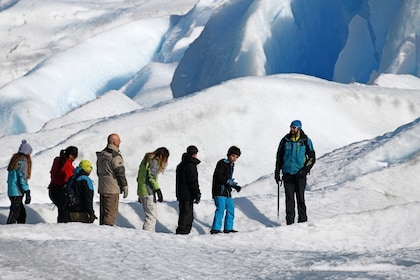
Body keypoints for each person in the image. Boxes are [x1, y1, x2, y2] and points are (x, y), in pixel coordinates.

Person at [274, 120, 316, 225]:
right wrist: (277, 172)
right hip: (287, 174)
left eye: (294, 127)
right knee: (289, 199)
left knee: (300, 198)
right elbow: (279, 157)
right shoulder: (285, 140)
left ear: (299, 128)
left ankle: (302, 221)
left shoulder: (305, 140)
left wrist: (305, 170)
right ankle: (290, 223)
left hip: (300, 175)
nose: (292, 129)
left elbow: (312, 157)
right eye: (291, 127)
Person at [96, 133, 128, 226]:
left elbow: (98, 172)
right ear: (114, 142)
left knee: (103, 215)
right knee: (110, 215)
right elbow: (120, 173)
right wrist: (124, 186)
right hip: (112, 189)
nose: (120, 142)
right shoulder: (115, 156)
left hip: (102, 188)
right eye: (118, 140)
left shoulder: (101, 155)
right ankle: (107, 236)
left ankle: (101, 233)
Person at [210, 146, 242, 234]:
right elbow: (219, 176)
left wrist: (235, 186)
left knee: (231, 208)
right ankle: (215, 229)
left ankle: (228, 228)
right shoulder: (222, 163)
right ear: (228, 155)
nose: (234, 158)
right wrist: (228, 181)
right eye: (233, 156)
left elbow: (228, 179)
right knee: (221, 209)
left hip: (227, 192)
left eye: (236, 157)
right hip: (219, 191)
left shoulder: (231, 165)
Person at [137, 147, 169, 232]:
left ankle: (147, 234)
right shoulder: (154, 161)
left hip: (142, 190)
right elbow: (152, 177)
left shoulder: (146, 159)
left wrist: (140, 193)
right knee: (151, 216)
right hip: (148, 191)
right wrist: (158, 190)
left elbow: (140, 176)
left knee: (149, 215)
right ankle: (148, 236)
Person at [175, 145, 201, 235]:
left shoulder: (181, 165)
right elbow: (192, 181)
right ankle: (183, 232)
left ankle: (182, 231)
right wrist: (197, 193)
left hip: (181, 193)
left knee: (183, 213)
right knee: (187, 215)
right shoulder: (191, 165)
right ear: (195, 154)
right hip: (188, 194)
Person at [48, 146, 78, 223]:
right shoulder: (68, 166)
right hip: (61, 190)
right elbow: (69, 179)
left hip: (53, 188)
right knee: (64, 212)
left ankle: (60, 227)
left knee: (61, 211)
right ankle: (62, 229)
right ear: (71, 156)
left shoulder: (57, 160)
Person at [6, 140, 33, 224]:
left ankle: (19, 230)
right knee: (15, 213)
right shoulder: (23, 161)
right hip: (17, 192)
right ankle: (9, 230)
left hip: (12, 191)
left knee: (21, 214)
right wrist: (27, 190)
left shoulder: (15, 161)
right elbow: (22, 177)